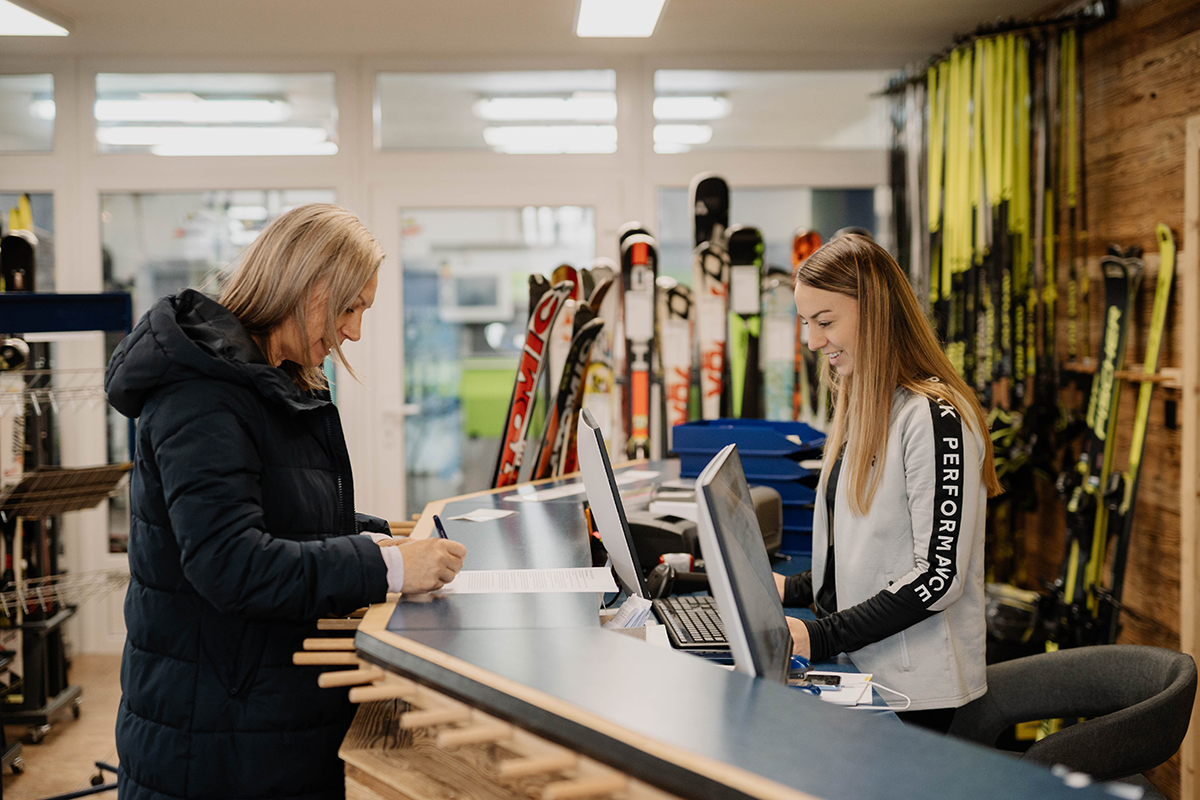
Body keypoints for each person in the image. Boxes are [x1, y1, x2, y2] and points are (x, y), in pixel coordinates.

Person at [105, 204, 466, 800]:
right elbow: (230, 563)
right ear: (309, 288)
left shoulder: (270, 377)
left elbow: (277, 508)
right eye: (351, 308)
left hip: (263, 720)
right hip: (214, 738)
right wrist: (389, 567)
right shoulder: (202, 397)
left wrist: (379, 539)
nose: (353, 330)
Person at [776, 233, 1001, 732]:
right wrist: (789, 588)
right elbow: (874, 554)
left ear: (873, 311)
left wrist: (823, 635)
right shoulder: (867, 404)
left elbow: (938, 577)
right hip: (863, 667)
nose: (813, 341)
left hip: (916, 695)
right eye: (806, 323)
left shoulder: (937, 417)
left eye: (825, 321)